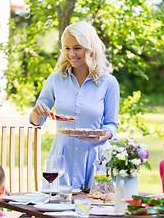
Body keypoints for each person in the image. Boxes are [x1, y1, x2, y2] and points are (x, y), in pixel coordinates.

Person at [30, 21, 120, 190]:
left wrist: (102, 136)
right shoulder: (55, 79)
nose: (71, 54)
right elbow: (36, 121)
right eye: (66, 48)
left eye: (77, 48)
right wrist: (37, 111)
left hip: (96, 158)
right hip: (62, 161)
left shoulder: (109, 82)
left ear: (90, 48)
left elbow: (111, 124)